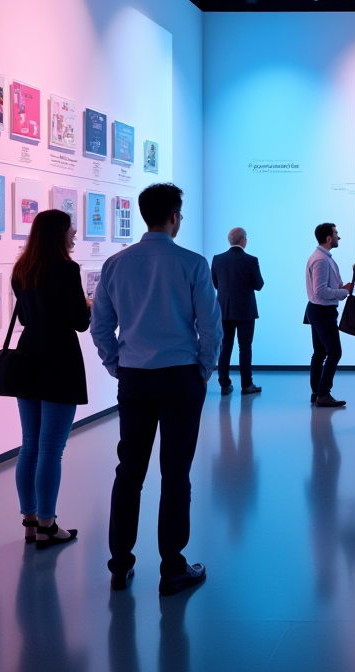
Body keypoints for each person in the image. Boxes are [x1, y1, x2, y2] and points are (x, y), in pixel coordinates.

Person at [92, 183, 222, 596]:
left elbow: (100, 327)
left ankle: (119, 565)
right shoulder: (192, 264)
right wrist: (204, 369)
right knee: (175, 472)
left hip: (135, 376)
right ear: (173, 217)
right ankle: (172, 568)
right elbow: (210, 326)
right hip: (181, 376)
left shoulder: (115, 264)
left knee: (129, 471)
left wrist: (117, 365)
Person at [9, 209, 92, 549]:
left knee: (30, 445)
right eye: (72, 230)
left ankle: (30, 522)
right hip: (59, 358)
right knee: (50, 450)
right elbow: (79, 322)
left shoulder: (22, 269)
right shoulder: (67, 269)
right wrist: (87, 303)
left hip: (27, 356)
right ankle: (48, 524)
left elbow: (27, 316)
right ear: (59, 233)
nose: (75, 235)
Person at [211, 226, 264, 397]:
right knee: (245, 347)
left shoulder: (217, 259)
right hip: (245, 311)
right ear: (243, 240)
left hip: (224, 309)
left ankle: (224, 384)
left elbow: (215, 284)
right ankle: (246, 385)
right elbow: (259, 285)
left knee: (225, 347)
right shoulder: (251, 260)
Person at [305, 222, 353, 407]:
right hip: (322, 311)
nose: (338, 237)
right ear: (328, 238)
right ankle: (323, 393)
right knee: (334, 352)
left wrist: (342, 288)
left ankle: (317, 392)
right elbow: (321, 291)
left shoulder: (323, 258)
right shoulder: (321, 260)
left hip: (318, 310)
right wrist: (344, 292)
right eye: (336, 234)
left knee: (319, 353)